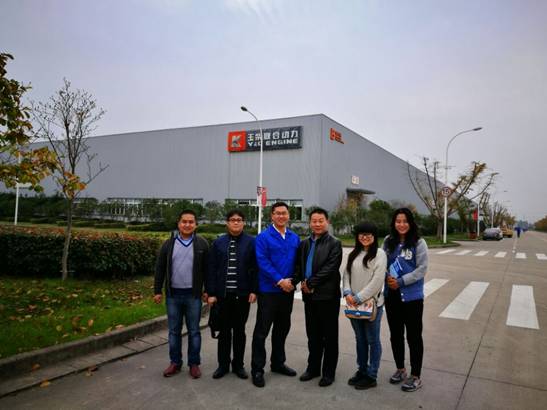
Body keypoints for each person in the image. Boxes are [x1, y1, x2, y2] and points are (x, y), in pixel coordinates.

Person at [154, 209, 209, 379]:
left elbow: (208, 270)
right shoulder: (168, 244)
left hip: (193, 296)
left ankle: (194, 363)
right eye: (184, 221)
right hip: (173, 296)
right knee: (174, 331)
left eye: (191, 222)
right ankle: (175, 362)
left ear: (196, 225)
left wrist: (208, 290)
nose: (187, 225)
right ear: (178, 224)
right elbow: (160, 268)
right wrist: (157, 290)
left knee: (194, 331)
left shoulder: (202, 244)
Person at [251, 201, 300, 388]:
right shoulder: (263, 237)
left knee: (282, 329)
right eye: (277, 213)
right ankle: (257, 369)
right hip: (269, 291)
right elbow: (262, 262)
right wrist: (280, 280)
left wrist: (292, 281)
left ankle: (278, 363)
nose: (281, 216)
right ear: (272, 216)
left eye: (284, 213)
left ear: (288, 215)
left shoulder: (294, 237)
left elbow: (298, 263)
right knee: (262, 332)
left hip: (287, 292)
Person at [206, 209, 258, 380]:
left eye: (239, 219)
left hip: (242, 295)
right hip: (223, 296)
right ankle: (223, 365)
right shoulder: (218, 243)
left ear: (243, 223)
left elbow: (255, 268)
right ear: (227, 223)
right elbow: (211, 269)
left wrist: (254, 290)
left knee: (239, 331)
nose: (236, 222)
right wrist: (211, 293)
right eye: (232, 219)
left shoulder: (251, 242)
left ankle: (238, 365)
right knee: (224, 332)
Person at [294, 208, 343, 387]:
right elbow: (299, 266)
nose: (317, 224)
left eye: (320, 220)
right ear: (310, 223)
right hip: (309, 296)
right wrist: (297, 281)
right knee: (313, 335)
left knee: (329, 336)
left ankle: (328, 372)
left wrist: (310, 283)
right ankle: (313, 368)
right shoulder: (304, 243)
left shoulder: (335, 243)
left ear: (327, 222)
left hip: (327, 296)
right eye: (314, 221)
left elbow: (331, 268)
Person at [383, 207, 428, 392]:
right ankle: (400, 369)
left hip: (412, 298)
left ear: (411, 223)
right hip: (391, 296)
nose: (401, 225)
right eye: (398, 221)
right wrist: (387, 277)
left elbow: (421, 269)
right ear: (394, 223)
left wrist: (401, 281)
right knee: (395, 335)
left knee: (414, 337)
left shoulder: (419, 243)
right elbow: (381, 263)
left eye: (405, 221)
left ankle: (416, 376)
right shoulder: (388, 241)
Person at [342, 222, 387, 390]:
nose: (365, 237)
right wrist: (347, 292)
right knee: (360, 339)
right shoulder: (353, 254)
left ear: (374, 236)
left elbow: (377, 281)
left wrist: (359, 297)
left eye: (369, 234)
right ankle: (361, 370)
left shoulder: (380, 254)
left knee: (372, 340)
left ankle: (371, 375)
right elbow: (346, 275)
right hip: (354, 304)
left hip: (372, 305)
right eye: (361, 234)